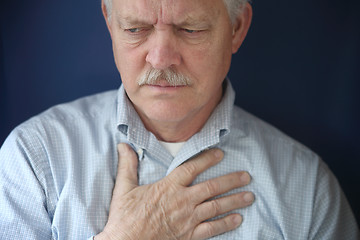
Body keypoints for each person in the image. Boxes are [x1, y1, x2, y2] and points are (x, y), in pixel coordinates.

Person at [0, 0, 358, 239]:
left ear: (237, 28)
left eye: (191, 29)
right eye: (136, 29)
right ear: (110, 23)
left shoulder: (309, 189)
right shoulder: (33, 159)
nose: (160, 59)